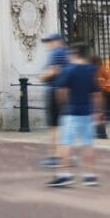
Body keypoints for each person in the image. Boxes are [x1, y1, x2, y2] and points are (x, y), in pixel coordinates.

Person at [47, 43, 102, 188]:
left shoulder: (69, 70)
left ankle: (65, 175)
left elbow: (61, 91)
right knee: (88, 144)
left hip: (72, 111)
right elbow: (97, 94)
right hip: (87, 112)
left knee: (66, 143)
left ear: (75, 54)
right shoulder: (91, 70)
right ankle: (90, 175)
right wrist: (99, 111)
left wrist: (64, 105)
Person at [38, 33, 69, 167]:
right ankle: (64, 154)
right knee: (61, 125)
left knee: (54, 126)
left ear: (58, 42)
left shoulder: (56, 53)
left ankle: (56, 156)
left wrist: (42, 76)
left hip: (54, 90)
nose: (48, 44)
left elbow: (52, 72)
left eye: (50, 41)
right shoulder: (66, 53)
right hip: (63, 90)